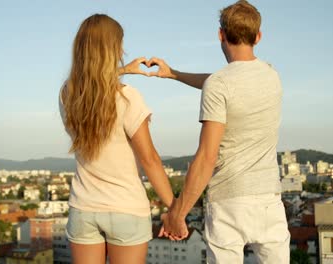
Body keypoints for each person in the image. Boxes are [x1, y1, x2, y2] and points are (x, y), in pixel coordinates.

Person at [146, 1, 290, 263]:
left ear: (220, 34)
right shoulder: (272, 76)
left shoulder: (219, 84)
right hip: (269, 201)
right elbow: (228, 82)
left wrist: (178, 214)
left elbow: (206, 157)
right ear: (258, 37)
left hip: (228, 203)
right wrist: (174, 74)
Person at [58, 14, 184, 264]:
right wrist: (174, 208)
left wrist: (125, 70)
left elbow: (92, 83)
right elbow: (149, 159)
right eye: (119, 44)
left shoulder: (68, 94)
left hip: (84, 209)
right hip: (126, 209)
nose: (123, 50)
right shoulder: (128, 98)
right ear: (112, 49)